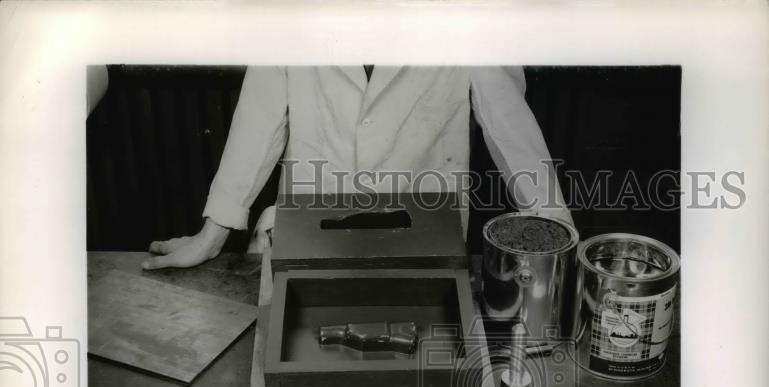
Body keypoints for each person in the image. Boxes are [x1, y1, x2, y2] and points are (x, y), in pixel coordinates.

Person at [143, 66, 573, 270]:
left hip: (424, 237)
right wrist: (212, 233)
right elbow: (259, 119)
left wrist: (556, 228)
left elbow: (509, 125)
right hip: (308, 232)